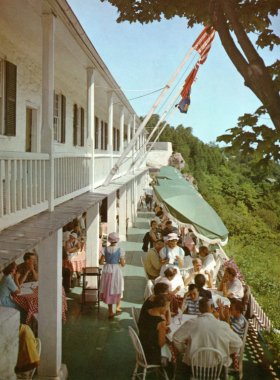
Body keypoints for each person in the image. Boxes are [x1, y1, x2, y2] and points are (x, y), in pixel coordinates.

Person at [173, 298, 243, 367]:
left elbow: (176, 338)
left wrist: (185, 350)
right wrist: (223, 352)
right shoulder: (223, 325)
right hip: (217, 366)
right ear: (212, 307)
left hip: (194, 365)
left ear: (199, 309)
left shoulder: (191, 323)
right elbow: (238, 343)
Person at [138, 293, 171, 365]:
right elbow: (161, 344)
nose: (167, 308)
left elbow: (151, 327)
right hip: (152, 356)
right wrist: (163, 330)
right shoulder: (161, 322)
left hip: (142, 350)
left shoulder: (148, 311)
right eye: (167, 306)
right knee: (170, 348)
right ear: (161, 306)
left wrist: (163, 329)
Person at [99, 232, 125, 318]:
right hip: (116, 270)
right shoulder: (120, 250)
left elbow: (101, 262)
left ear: (109, 240)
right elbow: (123, 264)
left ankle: (110, 311)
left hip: (107, 269)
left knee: (108, 287)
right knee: (118, 286)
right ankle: (117, 307)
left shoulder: (105, 249)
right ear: (117, 240)